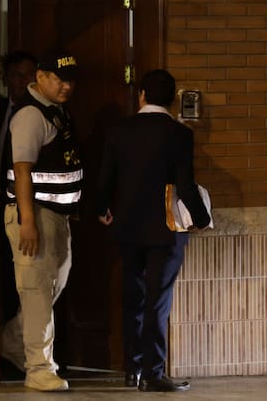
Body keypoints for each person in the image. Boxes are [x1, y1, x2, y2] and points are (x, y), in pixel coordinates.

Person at [95, 69, 210, 392]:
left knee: (133, 298)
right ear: (172, 100)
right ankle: (153, 373)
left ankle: (131, 369)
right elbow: (185, 185)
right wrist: (201, 219)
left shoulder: (120, 131)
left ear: (142, 95)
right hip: (165, 229)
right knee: (157, 301)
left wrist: (101, 208)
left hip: (127, 227)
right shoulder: (179, 134)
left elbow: (106, 176)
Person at [0, 49, 82, 392]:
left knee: (50, 289)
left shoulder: (56, 111)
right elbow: (22, 171)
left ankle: (11, 342)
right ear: (41, 78)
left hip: (57, 216)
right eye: (59, 79)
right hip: (35, 215)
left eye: (70, 80)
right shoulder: (31, 115)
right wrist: (27, 221)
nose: (66, 86)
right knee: (36, 292)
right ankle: (39, 368)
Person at [0, 51, 37, 328]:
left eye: (28, 75)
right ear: (5, 79)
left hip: (27, 207)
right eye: (16, 75)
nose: (22, 81)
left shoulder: (39, 114)